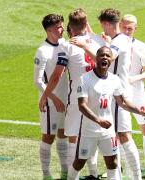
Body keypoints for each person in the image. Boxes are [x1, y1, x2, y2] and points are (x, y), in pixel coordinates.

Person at [71, 8, 142, 180]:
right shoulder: (118, 39)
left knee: (124, 135)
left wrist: (84, 45)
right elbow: (107, 49)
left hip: (118, 93)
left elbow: (105, 58)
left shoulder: (121, 40)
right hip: (112, 91)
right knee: (113, 137)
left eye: (102, 25)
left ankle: (136, 176)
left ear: (106, 24)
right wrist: (94, 36)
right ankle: (116, 174)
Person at [39, 9, 106, 180]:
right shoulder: (98, 41)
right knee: (92, 134)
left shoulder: (67, 46)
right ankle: (93, 174)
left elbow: (56, 75)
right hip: (98, 96)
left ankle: (71, 177)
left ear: (70, 27)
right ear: (86, 24)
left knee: (73, 137)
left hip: (77, 99)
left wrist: (45, 94)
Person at [67, 46, 145, 180]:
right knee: (79, 163)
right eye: (101, 55)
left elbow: (122, 102)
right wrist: (98, 120)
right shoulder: (85, 79)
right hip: (89, 130)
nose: (104, 58)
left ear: (111, 60)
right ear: (96, 59)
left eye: (107, 56)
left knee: (113, 163)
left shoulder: (114, 79)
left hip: (107, 131)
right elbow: (82, 106)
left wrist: (138, 110)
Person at [119, 14, 145, 179]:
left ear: (135, 28)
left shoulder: (142, 46)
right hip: (119, 92)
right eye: (124, 27)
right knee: (121, 131)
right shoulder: (114, 44)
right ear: (120, 25)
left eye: (130, 28)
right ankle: (122, 170)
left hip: (137, 92)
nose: (127, 30)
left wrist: (134, 79)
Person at [34, 14, 68, 180]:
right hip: (50, 103)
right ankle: (46, 175)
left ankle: (64, 172)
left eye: (62, 26)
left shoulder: (63, 44)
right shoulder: (42, 51)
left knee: (63, 134)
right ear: (49, 30)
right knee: (49, 137)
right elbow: (38, 81)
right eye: (58, 27)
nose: (62, 29)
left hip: (65, 100)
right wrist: (54, 99)